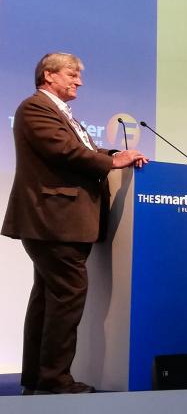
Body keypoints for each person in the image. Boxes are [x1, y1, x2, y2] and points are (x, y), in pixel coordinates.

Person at [2, 53, 148, 395]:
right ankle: (55, 379)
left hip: (57, 221)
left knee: (49, 298)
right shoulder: (35, 107)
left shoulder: (60, 112)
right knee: (66, 296)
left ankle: (39, 377)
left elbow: (84, 148)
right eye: (72, 74)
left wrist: (113, 155)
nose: (79, 81)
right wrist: (113, 163)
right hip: (53, 219)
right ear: (49, 75)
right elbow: (66, 152)